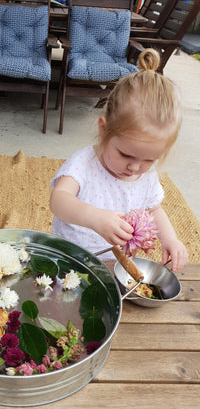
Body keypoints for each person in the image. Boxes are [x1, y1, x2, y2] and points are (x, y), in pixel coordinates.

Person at [50, 48, 188, 272]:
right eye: (125, 154)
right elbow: (58, 200)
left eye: (149, 159)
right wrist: (94, 218)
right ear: (104, 130)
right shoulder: (84, 163)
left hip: (115, 265)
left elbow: (155, 210)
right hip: (70, 260)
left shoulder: (147, 176)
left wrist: (170, 239)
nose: (135, 167)